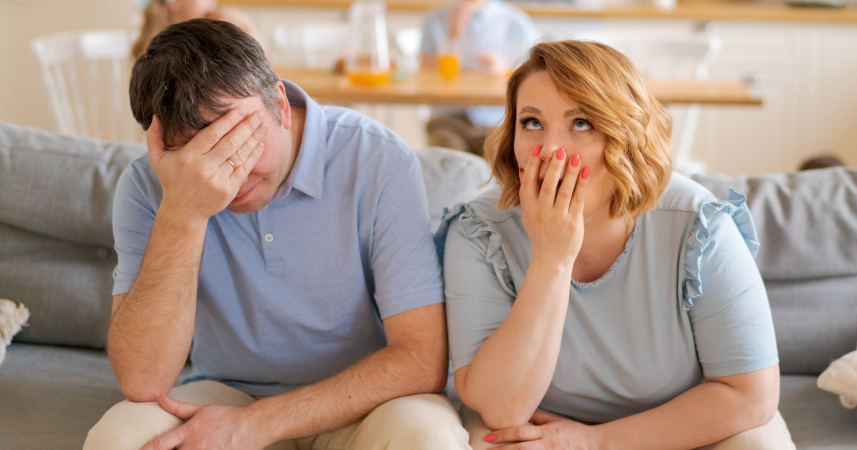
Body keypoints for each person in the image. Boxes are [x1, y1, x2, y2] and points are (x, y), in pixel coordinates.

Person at [84, 19, 469, 450]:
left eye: (238, 137)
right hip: (226, 392)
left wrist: (256, 424)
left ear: (280, 105)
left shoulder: (378, 158)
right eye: (195, 154)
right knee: (120, 438)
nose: (225, 173)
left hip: (365, 399)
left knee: (427, 437)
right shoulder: (147, 185)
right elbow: (143, 379)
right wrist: (183, 211)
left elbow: (421, 359)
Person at [435, 40, 797, 450]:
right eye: (532, 122)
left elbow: (749, 395)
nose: (550, 150)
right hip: (536, 425)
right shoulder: (480, 229)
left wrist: (595, 441)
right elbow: (502, 409)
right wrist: (552, 260)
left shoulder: (699, 225)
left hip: (680, 425)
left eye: (581, 123)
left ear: (627, 135)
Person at [420, 0, 541, 155]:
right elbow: (424, 71)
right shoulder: (435, 19)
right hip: (448, 121)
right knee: (445, 158)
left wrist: (504, 68)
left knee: (502, 159)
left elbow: (535, 74)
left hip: (497, 122)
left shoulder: (515, 21)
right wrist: (451, 38)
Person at [132, 0, 265, 59]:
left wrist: (246, 25)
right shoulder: (161, 54)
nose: (213, 3)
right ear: (174, 1)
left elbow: (262, 64)